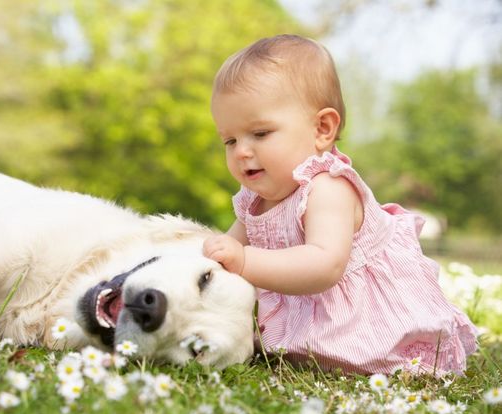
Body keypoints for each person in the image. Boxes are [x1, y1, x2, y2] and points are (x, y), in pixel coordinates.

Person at [202, 34, 477, 375]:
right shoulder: (253, 201)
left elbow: (324, 265)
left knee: (388, 360)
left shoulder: (328, 187)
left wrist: (243, 260)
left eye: (259, 134)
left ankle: (388, 356)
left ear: (322, 128)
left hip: (366, 319)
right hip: (310, 317)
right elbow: (225, 250)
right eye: (230, 140)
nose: (241, 151)